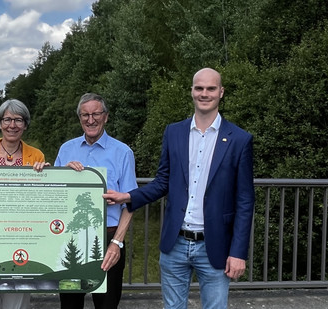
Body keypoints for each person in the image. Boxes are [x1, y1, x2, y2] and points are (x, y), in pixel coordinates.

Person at [103, 68, 255, 309]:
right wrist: (128, 196)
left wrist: (238, 252)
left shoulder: (239, 139)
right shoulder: (173, 132)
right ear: (192, 91)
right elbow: (162, 182)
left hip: (215, 245)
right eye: (199, 88)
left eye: (211, 88)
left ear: (221, 92)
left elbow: (245, 202)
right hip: (175, 243)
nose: (205, 93)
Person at [54, 93, 138, 309]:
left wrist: (117, 243)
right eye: (85, 115)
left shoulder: (123, 152)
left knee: (106, 305)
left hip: (108, 238)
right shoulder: (66, 149)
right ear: (79, 118)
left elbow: (131, 203)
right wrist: (62, 174)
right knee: (70, 305)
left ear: (106, 117)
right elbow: (54, 196)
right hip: (70, 240)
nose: (90, 120)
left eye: (96, 114)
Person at [0, 99, 49, 309]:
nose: (12, 125)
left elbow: (43, 202)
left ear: (25, 124)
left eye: (18, 120)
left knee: (18, 299)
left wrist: (49, 179)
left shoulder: (37, 156)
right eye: (7, 119)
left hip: (23, 237)